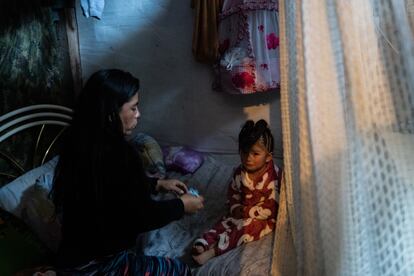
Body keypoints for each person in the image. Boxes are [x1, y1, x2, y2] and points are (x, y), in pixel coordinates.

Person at [50, 69, 204, 274]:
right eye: (133, 108)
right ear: (111, 113)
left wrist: (155, 184)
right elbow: (141, 216)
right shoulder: (120, 155)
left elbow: (111, 190)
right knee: (179, 270)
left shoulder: (78, 145)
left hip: (70, 258)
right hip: (99, 265)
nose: (138, 114)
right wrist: (181, 206)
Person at [191, 119, 282, 265]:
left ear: (268, 157)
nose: (248, 158)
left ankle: (214, 250)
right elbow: (233, 192)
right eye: (244, 152)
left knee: (244, 230)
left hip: (262, 218)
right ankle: (206, 241)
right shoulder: (239, 172)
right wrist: (235, 207)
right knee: (224, 222)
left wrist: (249, 212)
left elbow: (273, 207)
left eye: (255, 153)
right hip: (241, 210)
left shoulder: (273, 178)